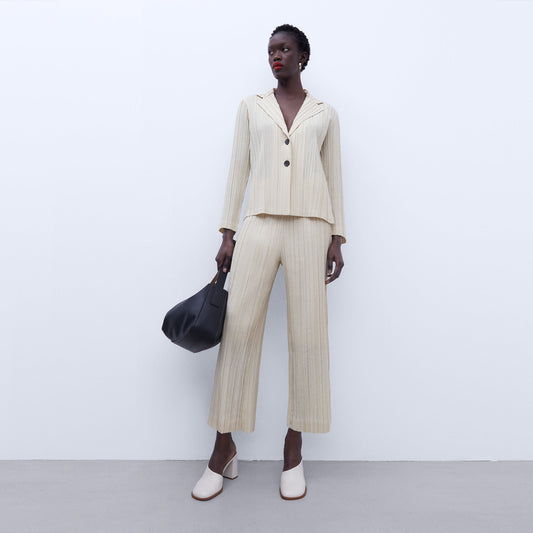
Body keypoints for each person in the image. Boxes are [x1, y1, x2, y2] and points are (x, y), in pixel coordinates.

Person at [192, 23, 346, 501]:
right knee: (239, 331)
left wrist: (337, 237)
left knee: (308, 336)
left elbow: (334, 175)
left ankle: (293, 450)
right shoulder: (251, 107)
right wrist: (227, 232)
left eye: (284, 49)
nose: (275, 56)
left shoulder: (325, 113)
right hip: (258, 222)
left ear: (302, 56)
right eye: (271, 50)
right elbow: (237, 169)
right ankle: (223, 448)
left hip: (310, 226)